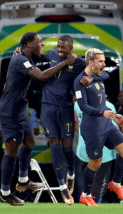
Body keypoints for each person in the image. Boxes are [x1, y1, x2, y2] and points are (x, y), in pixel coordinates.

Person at [0, 32, 77, 206]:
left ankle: (23, 180)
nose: (43, 46)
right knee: (11, 151)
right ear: (30, 45)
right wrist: (65, 63)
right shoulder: (20, 60)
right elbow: (41, 77)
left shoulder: (25, 57)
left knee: (30, 142)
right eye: (40, 43)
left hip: (21, 109)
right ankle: (4, 192)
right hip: (9, 112)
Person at [74, 48, 123, 206]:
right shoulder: (79, 82)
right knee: (96, 163)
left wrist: (113, 115)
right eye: (100, 61)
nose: (104, 64)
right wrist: (102, 113)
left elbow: (106, 74)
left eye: (104, 61)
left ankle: (116, 184)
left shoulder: (97, 76)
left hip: (107, 124)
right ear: (90, 62)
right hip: (92, 128)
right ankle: (85, 195)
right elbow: (84, 107)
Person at [39, 35, 87, 205]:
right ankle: (62, 187)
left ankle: (71, 173)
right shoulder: (50, 55)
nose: (60, 50)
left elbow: (96, 72)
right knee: (55, 145)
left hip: (65, 107)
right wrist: (19, 52)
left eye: (63, 47)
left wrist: (88, 79)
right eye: (58, 46)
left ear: (71, 48)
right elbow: (32, 57)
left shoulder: (80, 62)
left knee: (67, 149)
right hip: (48, 106)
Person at [74, 99, 117, 203]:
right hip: (103, 155)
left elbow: (76, 125)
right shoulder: (109, 105)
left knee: (84, 189)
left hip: (84, 152)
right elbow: (114, 128)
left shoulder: (78, 104)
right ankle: (91, 210)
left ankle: (84, 213)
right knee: (96, 190)